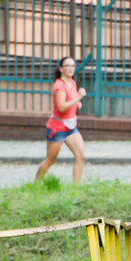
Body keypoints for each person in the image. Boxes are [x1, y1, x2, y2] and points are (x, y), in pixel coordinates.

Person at [36, 56, 86, 184]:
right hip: (57, 129)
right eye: (67, 66)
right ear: (61, 69)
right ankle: (35, 185)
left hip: (71, 127)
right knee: (50, 161)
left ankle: (76, 189)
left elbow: (71, 100)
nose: (70, 68)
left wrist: (76, 104)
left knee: (80, 156)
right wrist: (78, 98)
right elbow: (62, 107)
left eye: (73, 66)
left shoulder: (72, 82)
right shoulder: (59, 85)